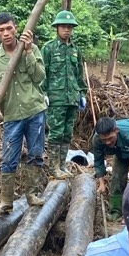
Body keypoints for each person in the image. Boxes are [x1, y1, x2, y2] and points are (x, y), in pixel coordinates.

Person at [0, 11, 46, 214]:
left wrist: (27, 52)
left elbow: (39, 78)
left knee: (35, 154)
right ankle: (6, 201)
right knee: (9, 158)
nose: (6, 33)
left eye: (9, 28)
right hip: (12, 115)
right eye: (2, 30)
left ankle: (32, 195)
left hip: (34, 110)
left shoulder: (32, 48)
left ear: (16, 28)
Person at [41, 10, 88, 178]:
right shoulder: (49, 48)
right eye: (63, 27)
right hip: (56, 98)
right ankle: (53, 168)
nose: (66, 30)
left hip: (72, 98)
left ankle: (62, 165)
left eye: (69, 27)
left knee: (67, 132)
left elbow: (79, 75)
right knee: (56, 132)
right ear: (57, 28)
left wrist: (82, 94)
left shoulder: (76, 50)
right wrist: (43, 92)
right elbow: (42, 73)